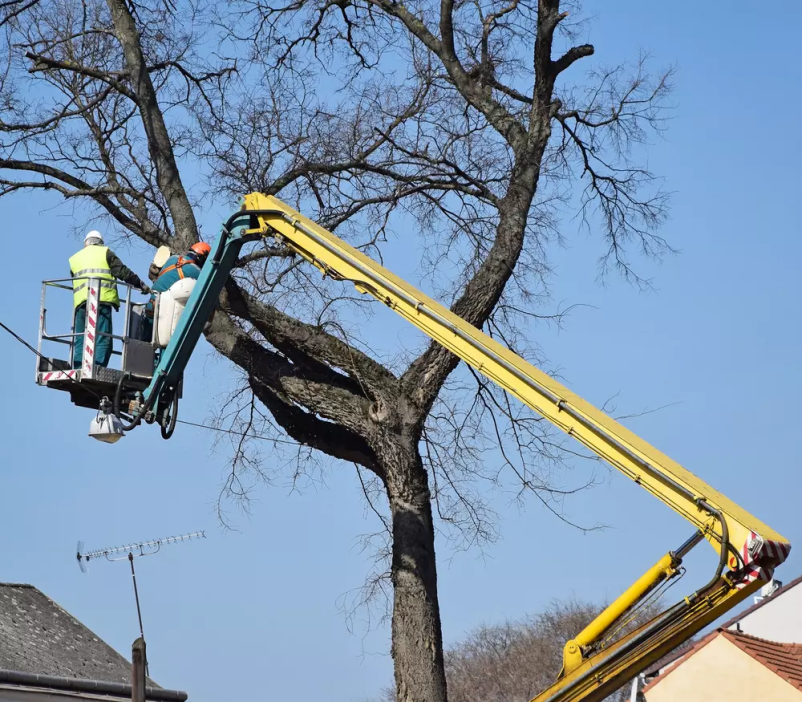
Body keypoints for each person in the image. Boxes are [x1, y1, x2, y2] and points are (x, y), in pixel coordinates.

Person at [69, 230, 150, 369]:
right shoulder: (105, 253)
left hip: (81, 304)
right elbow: (123, 272)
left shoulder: (74, 258)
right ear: (100, 243)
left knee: (81, 337)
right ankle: (98, 367)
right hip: (102, 301)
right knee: (102, 337)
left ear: (86, 244)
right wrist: (140, 284)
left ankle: (78, 368)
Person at [143, 242, 211, 341]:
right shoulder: (196, 272)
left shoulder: (172, 258)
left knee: (144, 344)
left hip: (151, 304)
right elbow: (206, 291)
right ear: (201, 258)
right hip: (165, 309)